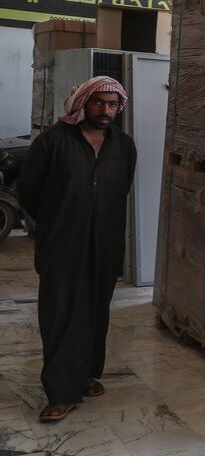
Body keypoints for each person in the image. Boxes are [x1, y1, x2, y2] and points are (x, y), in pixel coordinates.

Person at [18, 76, 136, 422]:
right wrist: (57, 224)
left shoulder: (124, 146)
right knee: (62, 315)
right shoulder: (52, 141)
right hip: (63, 245)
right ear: (83, 103)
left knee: (96, 312)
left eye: (112, 104)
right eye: (98, 102)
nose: (105, 110)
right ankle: (61, 392)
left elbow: (120, 190)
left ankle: (84, 375)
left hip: (105, 245)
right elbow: (29, 192)